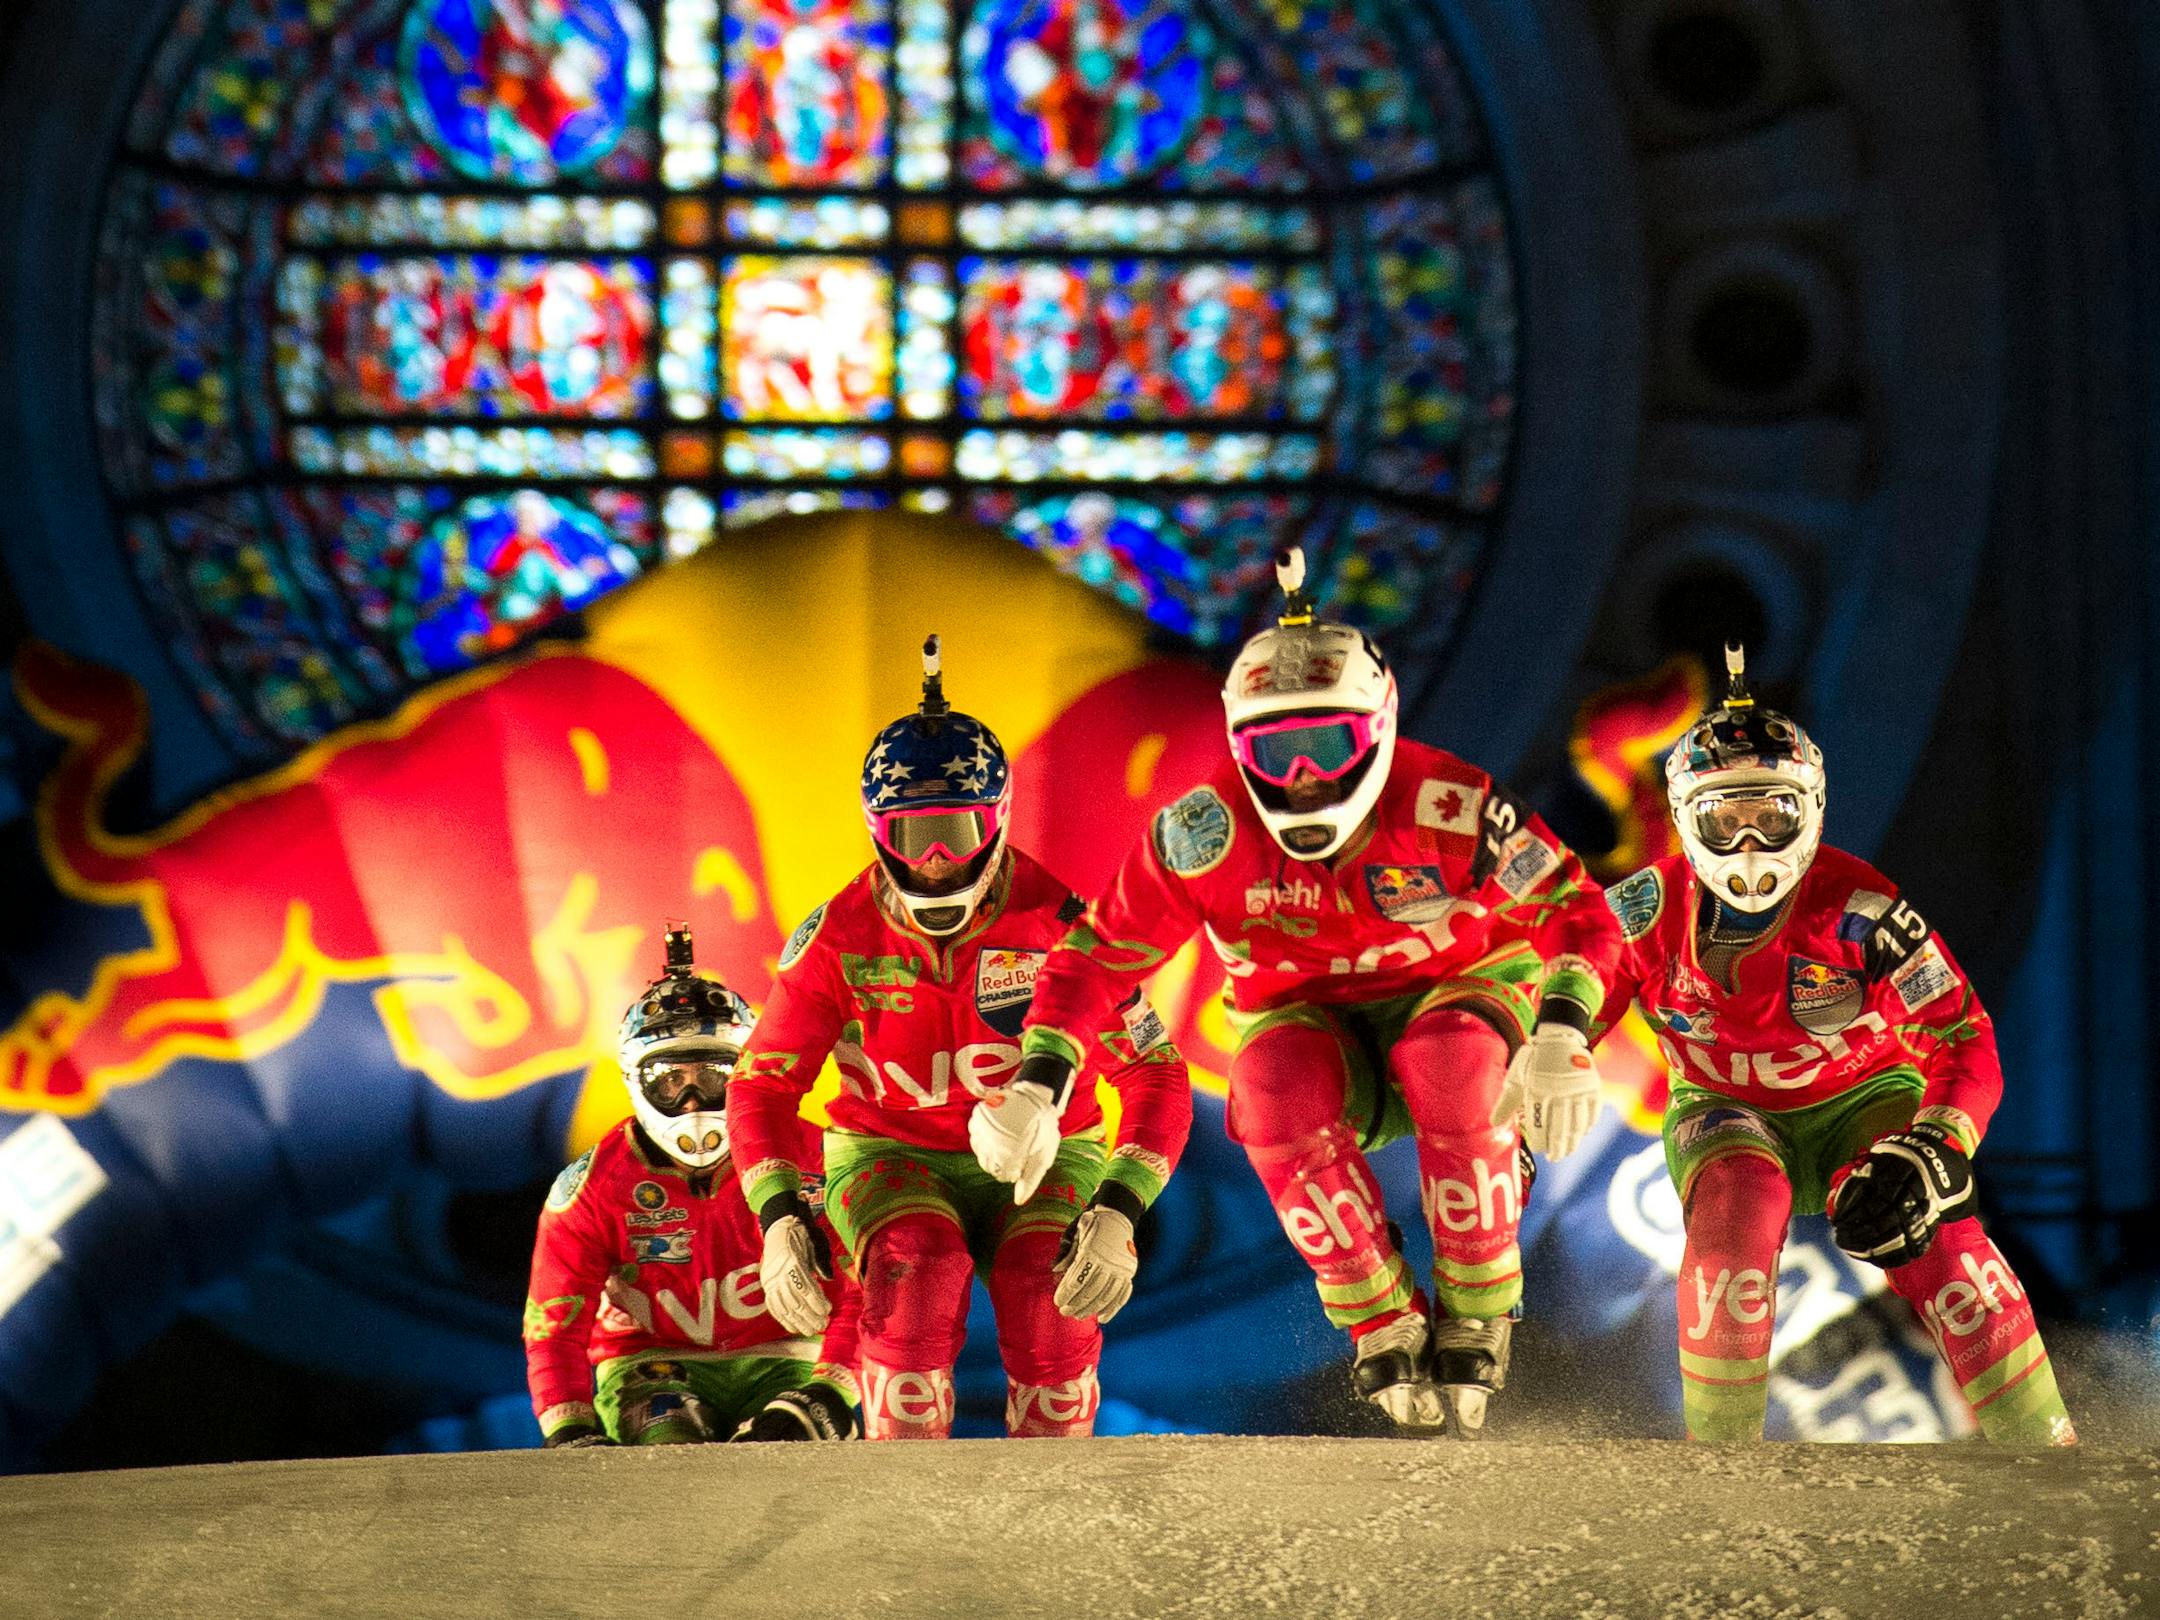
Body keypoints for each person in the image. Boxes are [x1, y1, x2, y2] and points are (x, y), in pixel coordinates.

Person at [1020, 551, 1621, 1435]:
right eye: (1276, 752)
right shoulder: (1202, 834)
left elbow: (1574, 907)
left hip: (1459, 990)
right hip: (1307, 1025)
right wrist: (1040, 1078)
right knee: (1270, 1089)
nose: (1303, 779)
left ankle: (1480, 1300)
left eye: (1326, 746)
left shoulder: (1449, 803)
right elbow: (1097, 955)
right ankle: (1376, 1313)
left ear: (1378, 732)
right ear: (1239, 749)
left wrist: (1563, 1031)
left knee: (1452, 1062)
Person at [1594, 646, 2076, 1444]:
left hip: (1863, 1099)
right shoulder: (1641, 901)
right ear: (1684, 820)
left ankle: (2044, 1445)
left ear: (1813, 812)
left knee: (1939, 1234)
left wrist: (1937, 1145)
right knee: (1736, 1207)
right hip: (1721, 1106)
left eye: (1772, 816)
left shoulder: (1864, 908)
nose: (1750, 846)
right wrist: (1540, 1056)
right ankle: (1719, 1461)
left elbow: (1960, 1030)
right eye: (1723, 821)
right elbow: (1570, 983)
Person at [728, 638, 1193, 1440]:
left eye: (956, 831)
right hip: (888, 1155)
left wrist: (1120, 1208)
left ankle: (1057, 1496)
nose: (937, 863)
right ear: (875, 832)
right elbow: (762, 1084)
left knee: (1050, 1302)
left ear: (998, 820)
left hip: (1053, 1155)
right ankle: (904, 1498)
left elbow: (1154, 1072)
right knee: (915, 1275)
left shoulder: (1061, 924)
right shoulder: (837, 938)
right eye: (912, 836)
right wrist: (775, 1218)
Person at [523, 926, 861, 1447]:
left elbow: (868, 1291)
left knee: (789, 1452)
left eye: (711, 1076)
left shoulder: (821, 1160)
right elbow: (553, 1325)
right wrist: (569, 1430)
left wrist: (830, 1391)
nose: (691, 1101)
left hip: (791, 1356)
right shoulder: (590, 1189)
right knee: (670, 1455)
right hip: (649, 1364)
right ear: (634, 1082)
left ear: (745, 1073)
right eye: (668, 1080)